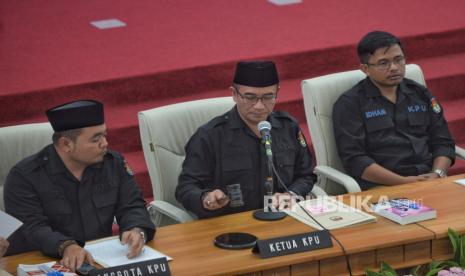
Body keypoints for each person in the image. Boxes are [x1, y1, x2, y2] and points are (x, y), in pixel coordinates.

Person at [4, 100, 155, 271]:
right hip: (44, 263)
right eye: (96, 139)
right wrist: (66, 246)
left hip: (98, 262)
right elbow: (32, 228)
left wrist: (136, 229)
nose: (105, 143)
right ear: (66, 144)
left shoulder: (113, 164)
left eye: (105, 135)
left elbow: (132, 205)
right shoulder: (25, 176)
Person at [176, 61, 314, 218]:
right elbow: (185, 188)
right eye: (250, 97)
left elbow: (306, 175)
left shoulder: (288, 127)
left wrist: (291, 194)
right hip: (231, 224)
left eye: (268, 97)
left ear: (277, 92)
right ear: (234, 94)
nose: (259, 106)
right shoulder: (210, 136)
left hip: (281, 217)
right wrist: (205, 198)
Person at [332, 31, 455, 190]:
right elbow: (355, 159)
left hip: (431, 179)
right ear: (365, 69)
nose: (394, 68)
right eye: (383, 63)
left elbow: (443, 142)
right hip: (383, 186)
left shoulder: (420, 94)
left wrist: (437, 174)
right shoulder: (350, 104)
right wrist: (404, 183)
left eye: (399, 59)